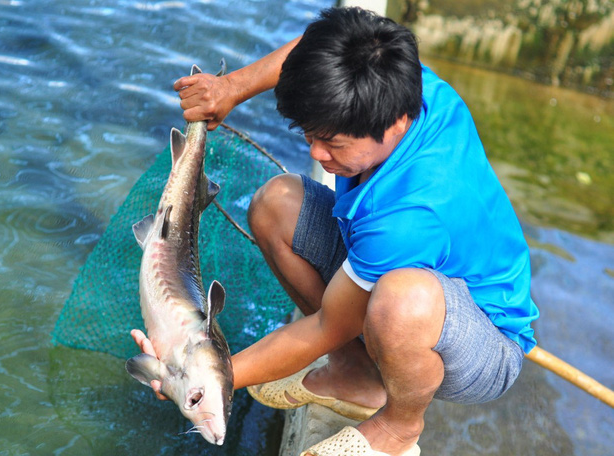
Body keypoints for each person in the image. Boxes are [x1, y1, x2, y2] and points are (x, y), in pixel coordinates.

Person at [132, 7, 540, 456]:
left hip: (481, 338)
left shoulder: (413, 213)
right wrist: (231, 87)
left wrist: (201, 377)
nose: (317, 153)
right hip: (387, 259)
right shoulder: (397, 79)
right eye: (309, 135)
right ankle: (353, 372)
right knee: (274, 204)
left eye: (333, 142)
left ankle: (399, 425)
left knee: (402, 300)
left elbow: (328, 324)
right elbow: (317, 50)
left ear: (395, 122)